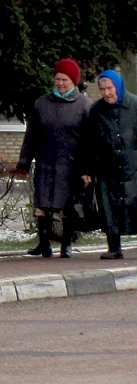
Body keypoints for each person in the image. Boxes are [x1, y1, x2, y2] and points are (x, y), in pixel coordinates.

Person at [16, 58, 92, 258]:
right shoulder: (42, 103)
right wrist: (24, 161)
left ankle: (66, 244)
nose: (60, 83)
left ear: (74, 81)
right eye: (58, 79)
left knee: (67, 206)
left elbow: (89, 141)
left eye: (65, 80)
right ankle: (44, 243)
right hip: (46, 161)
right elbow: (31, 135)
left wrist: (87, 169)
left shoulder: (84, 106)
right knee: (42, 205)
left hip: (71, 164)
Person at [81, 69, 137, 260]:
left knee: (134, 203)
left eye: (110, 88)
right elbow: (89, 142)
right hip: (107, 169)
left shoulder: (135, 106)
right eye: (102, 89)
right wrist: (87, 169)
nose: (106, 93)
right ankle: (114, 247)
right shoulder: (96, 110)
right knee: (109, 207)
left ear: (118, 86)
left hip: (133, 167)